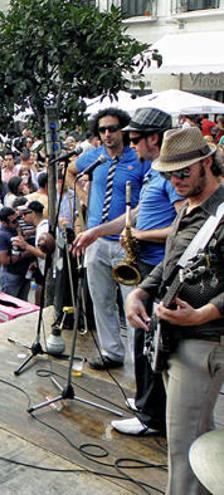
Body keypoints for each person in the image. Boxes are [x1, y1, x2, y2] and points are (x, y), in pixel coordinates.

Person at [124, 127, 224, 495]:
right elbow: (171, 265)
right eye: (169, 174)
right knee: (196, 438)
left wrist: (205, 313)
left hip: (202, 341)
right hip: (174, 336)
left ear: (207, 162)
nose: (176, 181)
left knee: (183, 449)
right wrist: (140, 291)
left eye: (184, 172)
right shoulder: (189, 208)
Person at [97, 108, 182, 437]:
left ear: (155, 138)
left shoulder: (172, 176)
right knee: (141, 338)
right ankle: (146, 401)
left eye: (135, 139)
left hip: (158, 265)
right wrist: (98, 232)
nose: (130, 145)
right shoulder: (153, 172)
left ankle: (152, 418)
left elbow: (181, 225)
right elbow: (134, 216)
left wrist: (141, 236)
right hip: (143, 261)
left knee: (151, 340)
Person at [70, 108, 151, 370]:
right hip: (95, 241)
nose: (107, 134)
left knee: (131, 301)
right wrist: (84, 198)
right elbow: (70, 171)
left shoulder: (138, 159)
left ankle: (141, 357)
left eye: (113, 128)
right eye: (102, 129)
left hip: (127, 242)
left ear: (123, 131)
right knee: (101, 298)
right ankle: (111, 352)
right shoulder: (94, 157)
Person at [0, 206, 34, 300]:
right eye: (14, 221)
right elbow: (4, 260)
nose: (18, 222)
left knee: (23, 304)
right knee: (10, 304)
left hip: (23, 273)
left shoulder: (15, 228)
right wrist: (26, 253)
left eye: (18, 219)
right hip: (11, 275)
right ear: (4, 223)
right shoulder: (0, 236)